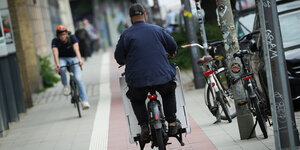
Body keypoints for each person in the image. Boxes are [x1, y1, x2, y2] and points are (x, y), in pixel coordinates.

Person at [114, 3, 181, 141]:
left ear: (131, 18)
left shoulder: (126, 35)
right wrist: (170, 52)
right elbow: (173, 46)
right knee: (168, 92)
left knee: (136, 98)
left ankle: (144, 126)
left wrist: (123, 61)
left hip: (138, 82)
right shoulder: (157, 30)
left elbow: (118, 57)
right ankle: (173, 123)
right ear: (144, 15)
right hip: (162, 78)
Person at [51, 25, 90, 109]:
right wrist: (57, 64)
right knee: (62, 68)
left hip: (73, 58)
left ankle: (85, 101)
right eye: (60, 35)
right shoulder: (55, 41)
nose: (62, 36)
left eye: (64, 34)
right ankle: (65, 85)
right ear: (58, 35)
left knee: (78, 79)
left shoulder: (72, 37)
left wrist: (80, 60)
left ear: (67, 34)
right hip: (62, 59)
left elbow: (76, 49)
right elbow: (55, 53)